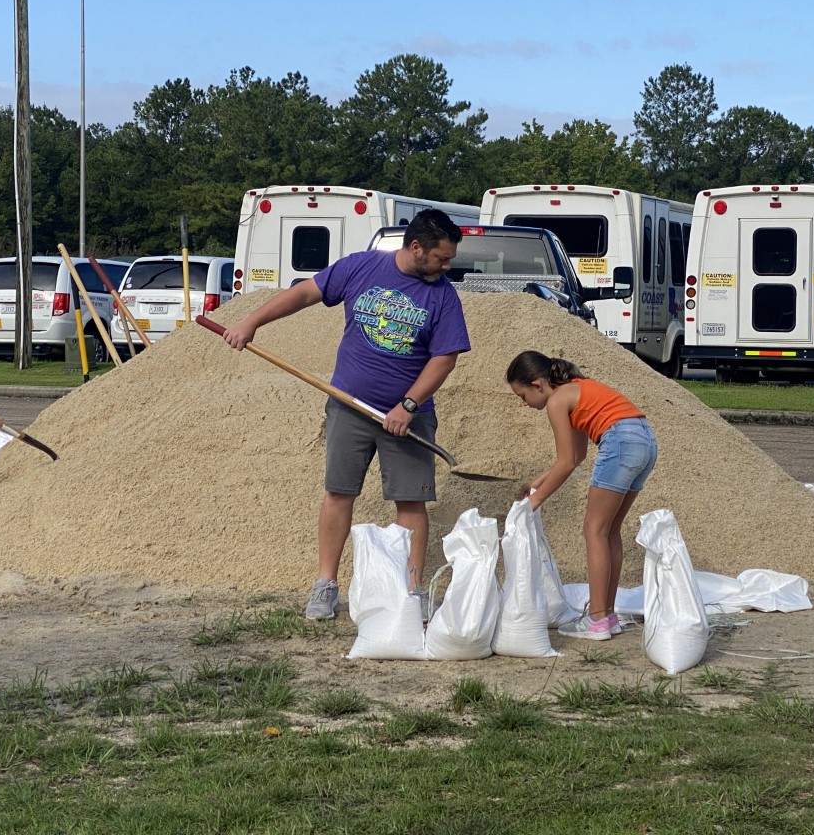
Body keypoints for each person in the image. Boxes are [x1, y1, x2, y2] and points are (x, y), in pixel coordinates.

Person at [222, 209, 470, 620]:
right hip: (349, 407)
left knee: (410, 503)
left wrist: (407, 406)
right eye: (442, 258)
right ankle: (326, 585)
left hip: (409, 417)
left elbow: (444, 358)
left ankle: (412, 590)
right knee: (339, 493)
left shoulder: (442, 294)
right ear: (415, 248)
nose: (447, 267)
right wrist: (251, 321)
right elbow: (305, 292)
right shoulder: (361, 267)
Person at [506, 350, 657, 640]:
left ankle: (598, 619)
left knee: (594, 530)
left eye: (522, 396)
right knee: (609, 530)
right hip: (645, 440)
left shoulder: (557, 401)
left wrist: (535, 502)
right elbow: (575, 457)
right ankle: (607, 615)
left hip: (621, 441)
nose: (524, 404)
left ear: (538, 385)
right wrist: (537, 483)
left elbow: (566, 463)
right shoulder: (576, 390)